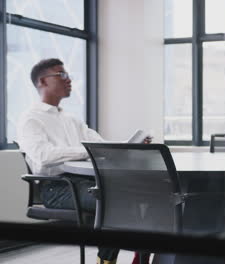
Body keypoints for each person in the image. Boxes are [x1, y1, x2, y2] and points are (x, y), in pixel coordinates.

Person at [16, 58, 151, 264]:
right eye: (61, 75)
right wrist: (86, 151)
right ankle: (118, 258)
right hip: (57, 187)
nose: (68, 79)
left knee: (138, 195)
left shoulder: (72, 120)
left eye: (67, 74)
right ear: (42, 82)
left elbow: (101, 146)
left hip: (87, 183)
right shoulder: (30, 119)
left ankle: (130, 256)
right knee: (114, 202)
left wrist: (130, 144)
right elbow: (44, 155)